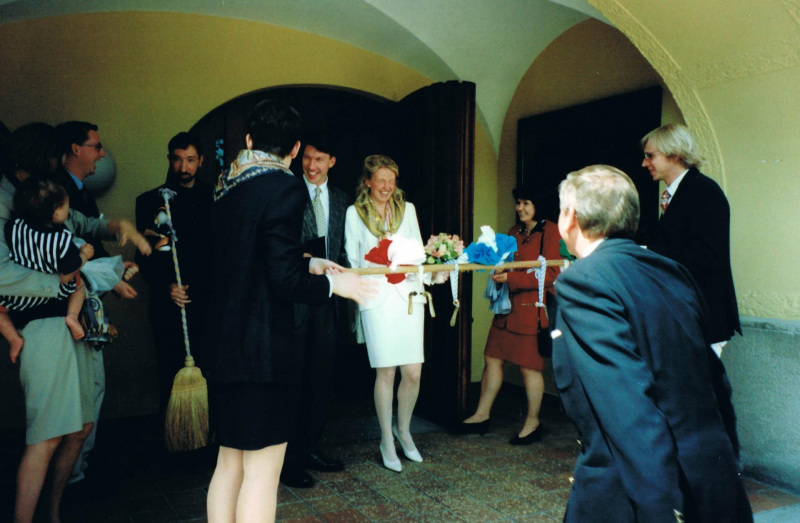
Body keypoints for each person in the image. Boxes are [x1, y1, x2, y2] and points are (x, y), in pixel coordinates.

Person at [201, 99, 375, 523]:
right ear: (295, 149)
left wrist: (309, 261)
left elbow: (251, 260)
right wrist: (338, 283)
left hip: (224, 346)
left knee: (229, 463)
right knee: (262, 472)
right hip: (261, 352)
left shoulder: (226, 184)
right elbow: (281, 281)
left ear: (248, 140)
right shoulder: (284, 186)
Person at [552, 165, 751, 522]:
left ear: (571, 217)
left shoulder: (584, 280)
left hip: (638, 488)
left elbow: (626, 404)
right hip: (710, 472)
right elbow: (713, 379)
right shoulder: (668, 269)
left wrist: (661, 507)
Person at [1, 123, 149, 523]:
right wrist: (65, 281)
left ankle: (53, 512)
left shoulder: (44, 191)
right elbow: (3, 273)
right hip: (43, 325)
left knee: (81, 427)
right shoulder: (3, 200)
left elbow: (76, 224)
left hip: (73, 321)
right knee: (46, 436)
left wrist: (114, 227)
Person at [55, 120, 141, 485]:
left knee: (93, 390)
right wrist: (113, 274)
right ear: (75, 149)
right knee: (84, 393)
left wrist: (115, 267)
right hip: (68, 309)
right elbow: (70, 250)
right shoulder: (58, 192)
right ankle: (73, 475)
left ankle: (78, 470)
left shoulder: (79, 191)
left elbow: (91, 230)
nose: (102, 153)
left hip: (87, 301)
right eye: (96, 145)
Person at [459, 185, 562, 444]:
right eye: (518, 203)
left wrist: (512, 278)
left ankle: (532, 422)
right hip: (506, 309)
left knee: (529, 368)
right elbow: (504, 261)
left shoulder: (551, 231)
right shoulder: (514, 231)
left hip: (531, 310)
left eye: (526, 203)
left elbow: (552, 274)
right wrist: (496, 271)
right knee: (492, 358)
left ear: (539, 204)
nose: (520, 208)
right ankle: (481, 415)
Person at [344, 154, 426, 473]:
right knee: (386, 372)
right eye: (380, 181)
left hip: (407, 295)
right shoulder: (355, 213)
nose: (386, 187)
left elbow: (417, 249)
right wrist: (377, 267)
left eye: (391, 181)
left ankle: (403, 431)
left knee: (413, 372)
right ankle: (385, 439)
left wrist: (408, 269)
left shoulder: (408, 210)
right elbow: (352, 259)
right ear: (368, 182)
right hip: (376, 299)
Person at [280, 135, 350, 488]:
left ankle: (308, 449)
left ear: (332, 162)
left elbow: (345, 251)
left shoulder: (341, 200)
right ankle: (287, 461)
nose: (311, 166)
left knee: (320, 379)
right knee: (293, 380)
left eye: (319, 159)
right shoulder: (287, 193)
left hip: (329, 300)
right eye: (307, 158)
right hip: (294, 299)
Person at [640, 123, 740, 356]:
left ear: (674, 153)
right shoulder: (683, 192)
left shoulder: (704, 191)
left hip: (701, 319)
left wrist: (646, 253)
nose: (644, 163)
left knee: (698, 392)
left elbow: (707, 258)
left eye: (650, 156)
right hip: (685, 317)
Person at [135, 132, 213, 412]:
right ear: (169, 159)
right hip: (169, 304)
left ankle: (208, 437)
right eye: (178, 160)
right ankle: (175, 439)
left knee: (210, 369)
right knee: (169, 370)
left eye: (190, 160)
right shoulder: (149, 202)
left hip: (208, 303)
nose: (184, 168)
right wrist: (167, 285)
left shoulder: (215, 199)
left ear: (201, 161)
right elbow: (143, 256)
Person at [0, 178, 95, 364]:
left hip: (19, 296)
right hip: (56, 293)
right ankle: (72, 317)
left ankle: (14, 339)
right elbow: (70, 267)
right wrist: (84, 255)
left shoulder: (14, 227)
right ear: (57, 211)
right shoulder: (62, 240)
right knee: (79, 284)